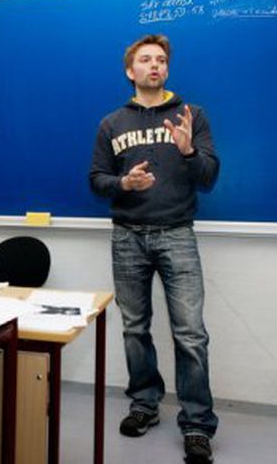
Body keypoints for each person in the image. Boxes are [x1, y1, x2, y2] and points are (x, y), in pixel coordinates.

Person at [89, 34, 220, 464]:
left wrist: (188, 151)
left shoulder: (191, 115)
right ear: (131, 71)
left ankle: (197, 424)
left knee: (191, 333)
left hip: (177, 233)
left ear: (167, 68)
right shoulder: (111, 123)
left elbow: (209, 177)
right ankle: (144, 403)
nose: (154, 65)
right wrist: (124, 183)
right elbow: (96, 180)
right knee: (134, 329)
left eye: (161, 60)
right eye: (145, 60)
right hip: (127, 237)